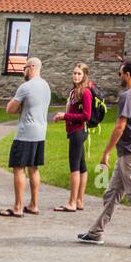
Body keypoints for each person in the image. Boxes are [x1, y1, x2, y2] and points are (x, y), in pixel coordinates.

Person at [77, 59, 131, 250]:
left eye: (120, 73)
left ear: (128, 75)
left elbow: (120, 125)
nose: (119, 76)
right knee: (112, 193)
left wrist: (106, 153)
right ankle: (96, 232)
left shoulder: (128, 95)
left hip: (130, 152)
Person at [0, 56, 51, 218]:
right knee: (34, 168)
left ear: (32, 67)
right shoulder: (46, 86)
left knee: (19, 169)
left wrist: (19, 105)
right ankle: (34, 205)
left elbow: (10, 109)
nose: (23, 71)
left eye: (25, 68)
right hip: (40, 133)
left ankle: (18, 207)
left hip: (25, 134)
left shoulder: (26, 87)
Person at [52, 62, 92, 212]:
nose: (76, 76)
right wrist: (64, 117)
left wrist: (65, 116)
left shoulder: (85, 92)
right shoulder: (74, 91)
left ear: (84, 75)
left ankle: (72, 203)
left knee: (74, 168)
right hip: (74, 132)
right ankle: (79, 201)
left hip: (78, 132)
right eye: (74, 73)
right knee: (82, 167)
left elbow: (86, 115)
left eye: (79, 74)